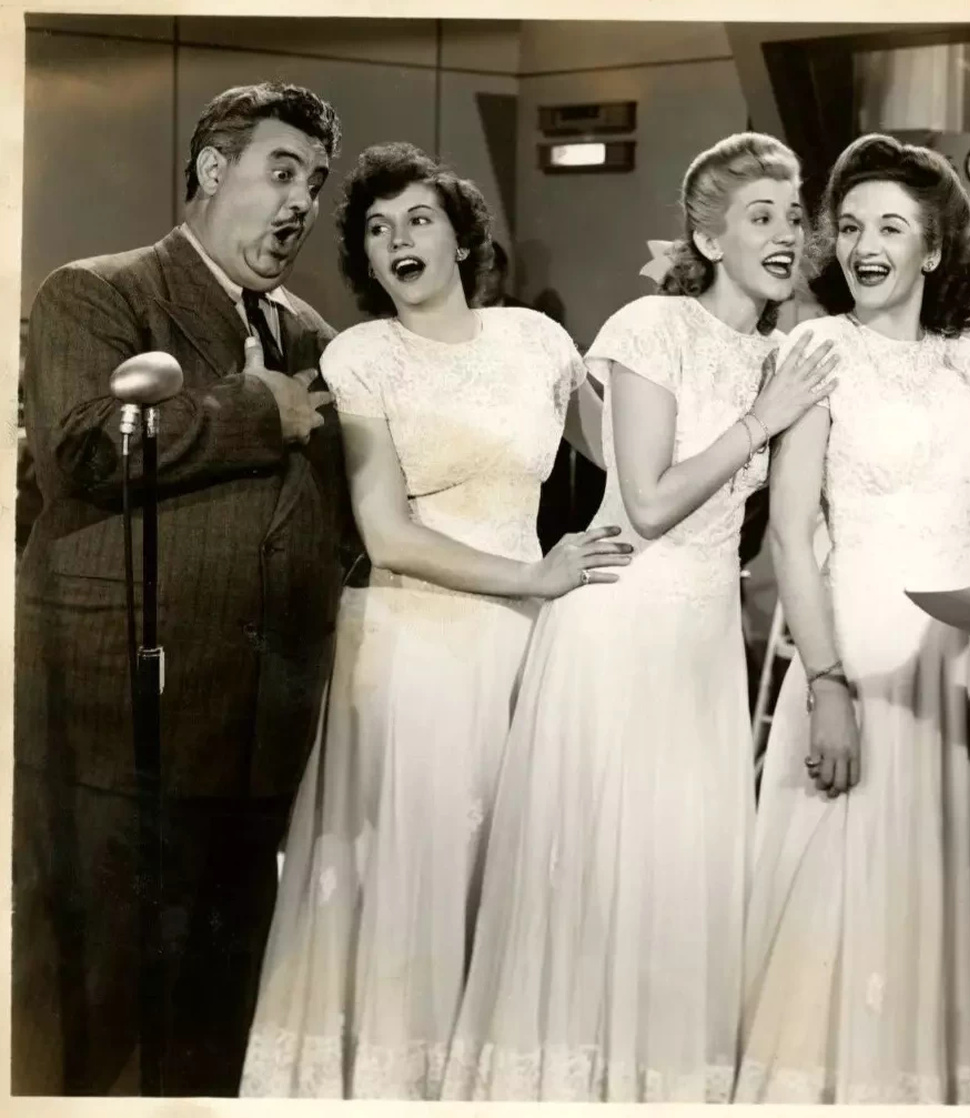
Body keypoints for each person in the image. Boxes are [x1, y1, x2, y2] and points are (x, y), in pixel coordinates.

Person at [440, 132, 837, 1103]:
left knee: (676, 873)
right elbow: (650, 501)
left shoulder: (773, 354)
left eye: (792, 217)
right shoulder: (651, 326)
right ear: (706, 238)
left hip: (702, 643)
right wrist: (763, 418)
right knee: (603, 871)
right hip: (620, 631)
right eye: (758, 217)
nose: (783, 235)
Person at [237, 144, 625, 1099]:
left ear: (460, 239)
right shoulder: (361, 357)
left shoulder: (538, 341)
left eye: (417, 219)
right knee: (424, 873)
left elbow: (629, 462)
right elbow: (387, 533)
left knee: (511, 875)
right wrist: (536, 576)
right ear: (367, 262)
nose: (397, 239)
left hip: (527, 648)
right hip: (415, 651)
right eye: (376, 229)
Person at [13, 82, 346, 1096]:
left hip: (254, 739)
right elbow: (82, 450)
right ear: (211, 168)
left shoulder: (306, 330)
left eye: (315, 182)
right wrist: (253, 408)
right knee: (88, 1009)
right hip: (120, 725)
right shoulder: (96, 292)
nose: (301, 202)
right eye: (280, 172)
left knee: (215, 1023)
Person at [734, 133, 970, 1105]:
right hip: (862, 660)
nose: (863, 245)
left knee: (952, 893)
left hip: (966, 671)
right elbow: (789, 535)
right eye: (848, 227)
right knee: (853, 900)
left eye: (889, 226)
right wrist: (825, 684)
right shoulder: (815, 351)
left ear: (933, 247)